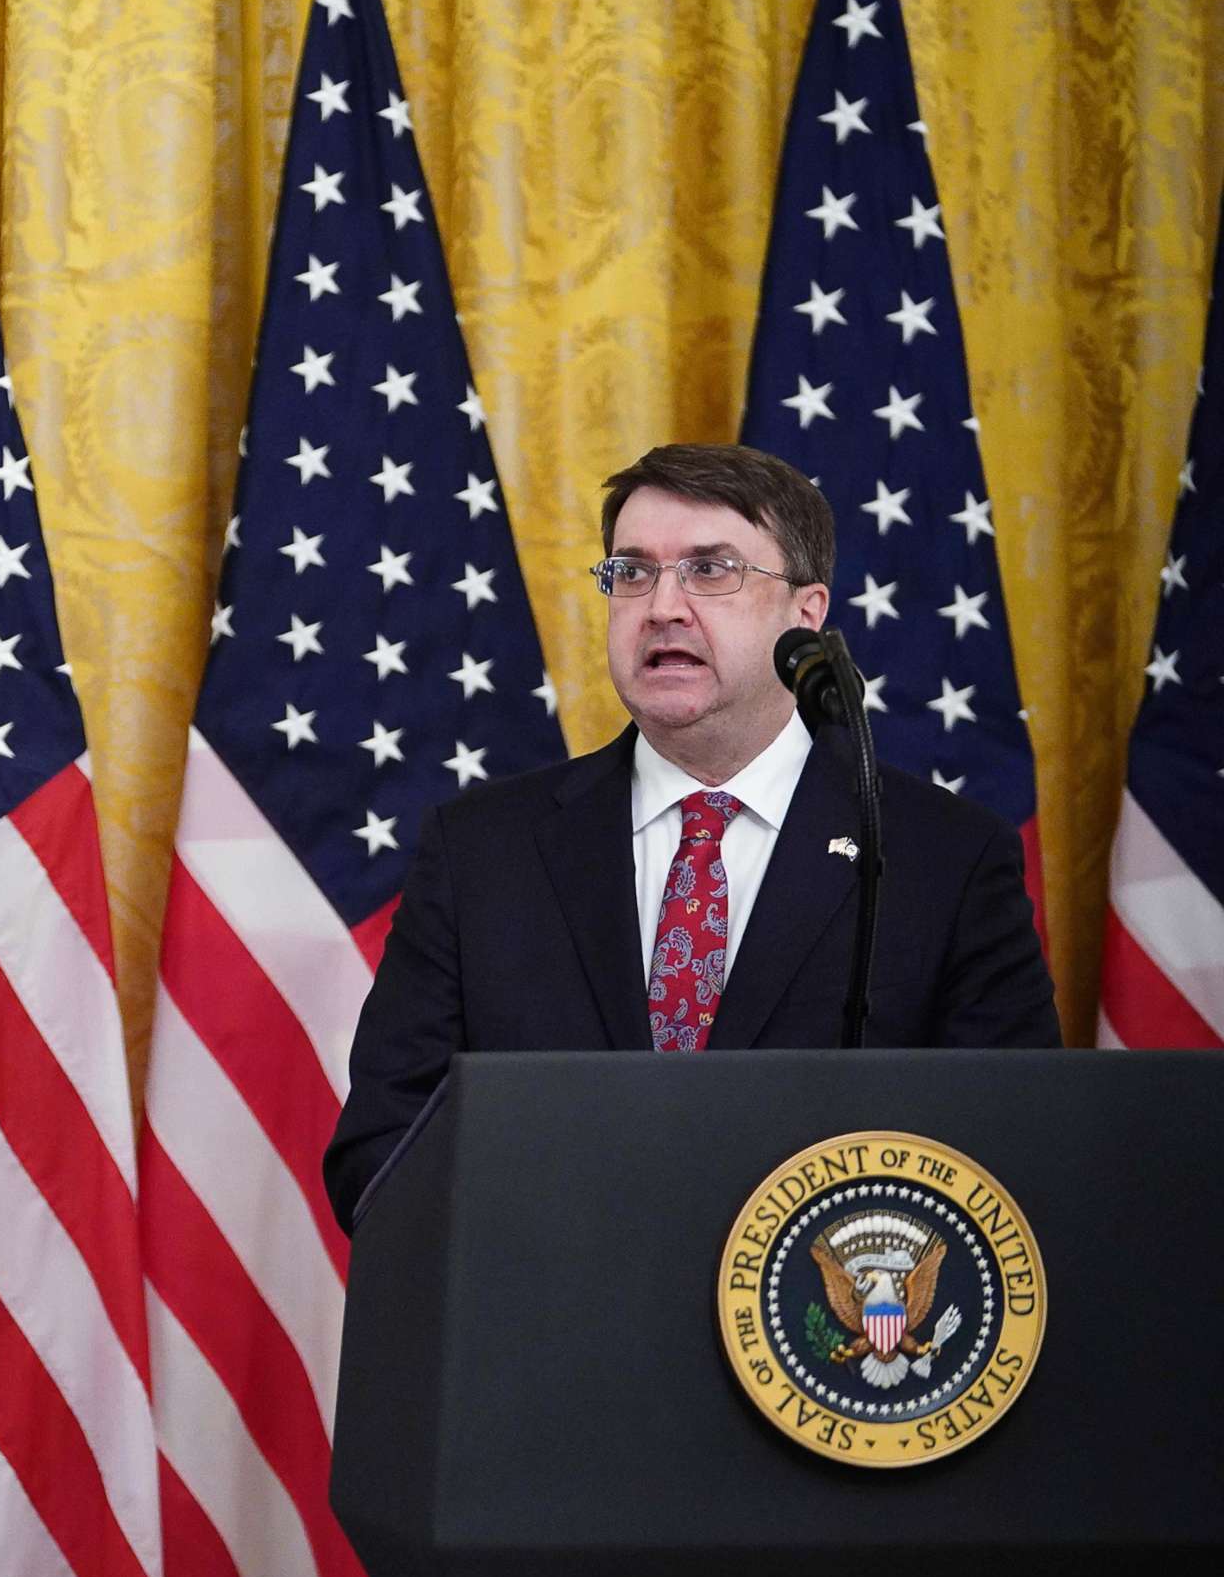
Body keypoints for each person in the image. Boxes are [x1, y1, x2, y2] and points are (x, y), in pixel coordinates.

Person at [321, 443, 1060, 1229]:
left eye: (711, 570)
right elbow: (381, 1151)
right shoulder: (480, 852)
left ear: (805, 616)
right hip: (550, 1327)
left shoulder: (944, 860)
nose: (662, 606)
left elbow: (1014, 1157)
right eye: (632, 572)